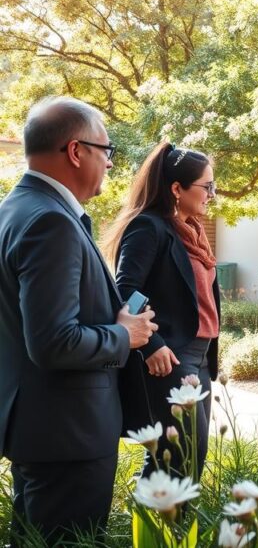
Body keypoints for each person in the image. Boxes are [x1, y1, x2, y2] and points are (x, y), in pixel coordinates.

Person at [0, 96, 157, 542]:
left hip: (42, 429)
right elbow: (53, 341)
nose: (109, 164)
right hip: (67, 434)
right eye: (106, 152)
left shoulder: (15, 210)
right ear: (76, 151)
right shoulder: (50, 221)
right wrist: (123, 334)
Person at [102, 142, 220, 481]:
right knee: (175, 457)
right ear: (176, 189)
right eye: (206, 186)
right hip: (169, 354)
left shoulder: (194, 231)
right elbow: (125, 292)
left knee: (191, 458)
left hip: (199, 354)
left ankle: (172, 533)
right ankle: (151, 532)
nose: (212, 194)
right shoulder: (148, 228)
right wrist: (150, 345)